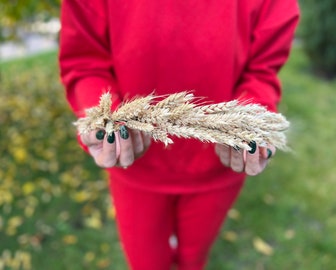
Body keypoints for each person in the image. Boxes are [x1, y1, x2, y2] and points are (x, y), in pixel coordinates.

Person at [59, 1, 299, 269]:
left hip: (219, 165)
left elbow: (262, 69)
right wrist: (105, 122)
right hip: (135, 163)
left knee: (193, 260)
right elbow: (85, 60)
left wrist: (252, 120)